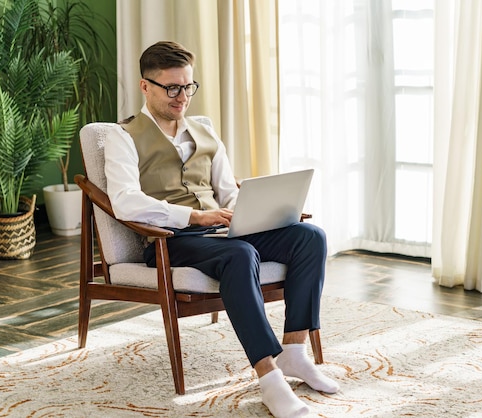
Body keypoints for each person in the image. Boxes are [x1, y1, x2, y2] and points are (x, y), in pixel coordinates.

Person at [103, 40, 339, 418]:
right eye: (172, 88)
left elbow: (228, 192)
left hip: (221, 232)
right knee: (240, 254)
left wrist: (257, 209)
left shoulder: (205, 132)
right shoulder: (121, 136)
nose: (182, 97)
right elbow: (125, 201)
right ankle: (269, 378)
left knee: (310, 237)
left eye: (188, 87)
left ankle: (294, 352)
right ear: (146, 86)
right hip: (172, 241)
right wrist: (194, 217)